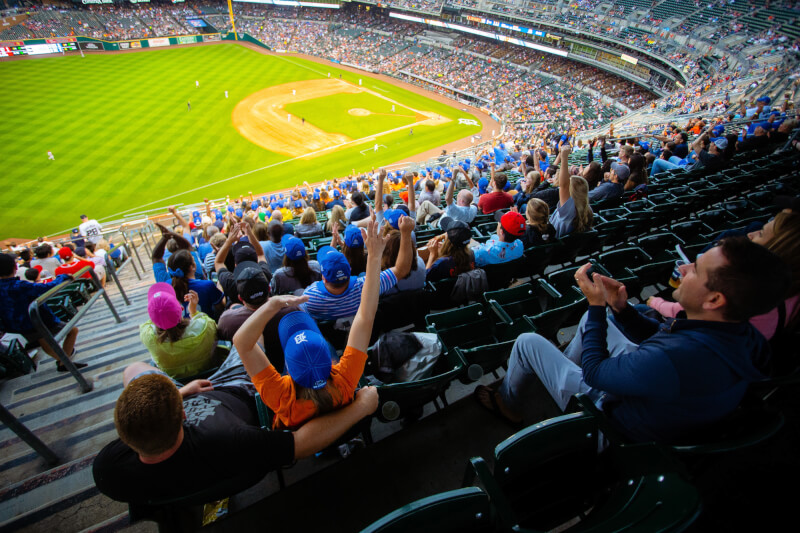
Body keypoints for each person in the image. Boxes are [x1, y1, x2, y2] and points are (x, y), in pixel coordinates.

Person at [476, 238, 791, 442]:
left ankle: (510, 404)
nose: (682, 267)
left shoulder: (675, 360)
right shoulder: (740, 334)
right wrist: (621, 310)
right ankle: (561, 375)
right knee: (590, 323)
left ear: (714, 300)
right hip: (658, 396)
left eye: (695, 269)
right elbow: (659, 339)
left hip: (606, 422)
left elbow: (597, 373)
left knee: (528, 342)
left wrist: (597, 305)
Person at [92, 348, 378, 504]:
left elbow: (138, 388)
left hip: (189, 398)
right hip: (238, 390)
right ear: (183, 417)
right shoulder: (232, 440)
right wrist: (361, 407)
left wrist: (179, 393)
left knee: (132, 369)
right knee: (250, 346)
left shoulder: (108, 469)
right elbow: (301, 444)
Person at [234, 216, 386, 429]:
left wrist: (272, 304)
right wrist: (375, 256)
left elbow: (241, 341)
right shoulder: (344, 380)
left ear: (287, 370)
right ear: (329, 356)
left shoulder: (282, 397)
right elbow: (366, 314)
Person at [302, 214, 414, 321]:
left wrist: (335, 240)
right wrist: (406, 233)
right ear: (349, 271)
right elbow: (401, 270)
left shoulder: (309, 297)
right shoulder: (366, 286)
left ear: (324, 278)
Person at [0, 253, 84, 371]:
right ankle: (64, 362)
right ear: (15, 267)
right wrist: (63, 277)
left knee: (44, 342)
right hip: (39, 320)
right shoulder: (19, 285)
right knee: (72, 331)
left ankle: (63, 362)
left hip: (19, 325)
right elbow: (47, 287)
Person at [140, 283, 218, 380]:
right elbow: (213, 328)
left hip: (177, 384)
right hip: (210, 377)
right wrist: (193, 312)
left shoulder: (147, 336)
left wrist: (160, 315)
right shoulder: (205, 326)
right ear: (181, 309)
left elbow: (148, 324)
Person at [152, 223, 224, 321]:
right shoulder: (205, 283)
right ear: (192, 267)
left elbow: (156, 258)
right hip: (207, 332)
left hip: (179, 334)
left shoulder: (164, 286)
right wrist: (172, 235)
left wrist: (165, 238)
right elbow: (220, 308)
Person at [550, 145, 593, 238]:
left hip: (556, 247)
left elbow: (563, 185)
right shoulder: (587, 208)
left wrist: (564, 158)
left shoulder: (568, 209)